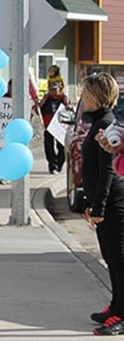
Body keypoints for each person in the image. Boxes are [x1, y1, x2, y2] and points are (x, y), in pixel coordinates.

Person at [82, 73, 124, 336]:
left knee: (119, 259)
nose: (82, 99)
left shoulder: (106, 123)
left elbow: (107, 171)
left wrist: (99, 206)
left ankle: (122, 314)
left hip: (114, 202)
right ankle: (116, 305)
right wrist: (90, 203)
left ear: (98, 96)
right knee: (110, 258)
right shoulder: (98, 121)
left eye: (86, 94)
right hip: (102, 201)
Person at [38, 81, 70, 174]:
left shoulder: (63, 99)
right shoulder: (46, 99)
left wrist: (68, 104)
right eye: (51, 90)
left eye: (55, 89)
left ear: (59, 90)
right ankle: (52, 166)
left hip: (60, 127)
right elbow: (38, 109)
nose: (53, 92)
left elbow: (69, 109)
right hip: (48, 127)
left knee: (61, 147)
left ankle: (59, 164)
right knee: (49, 147)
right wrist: (41, 101)